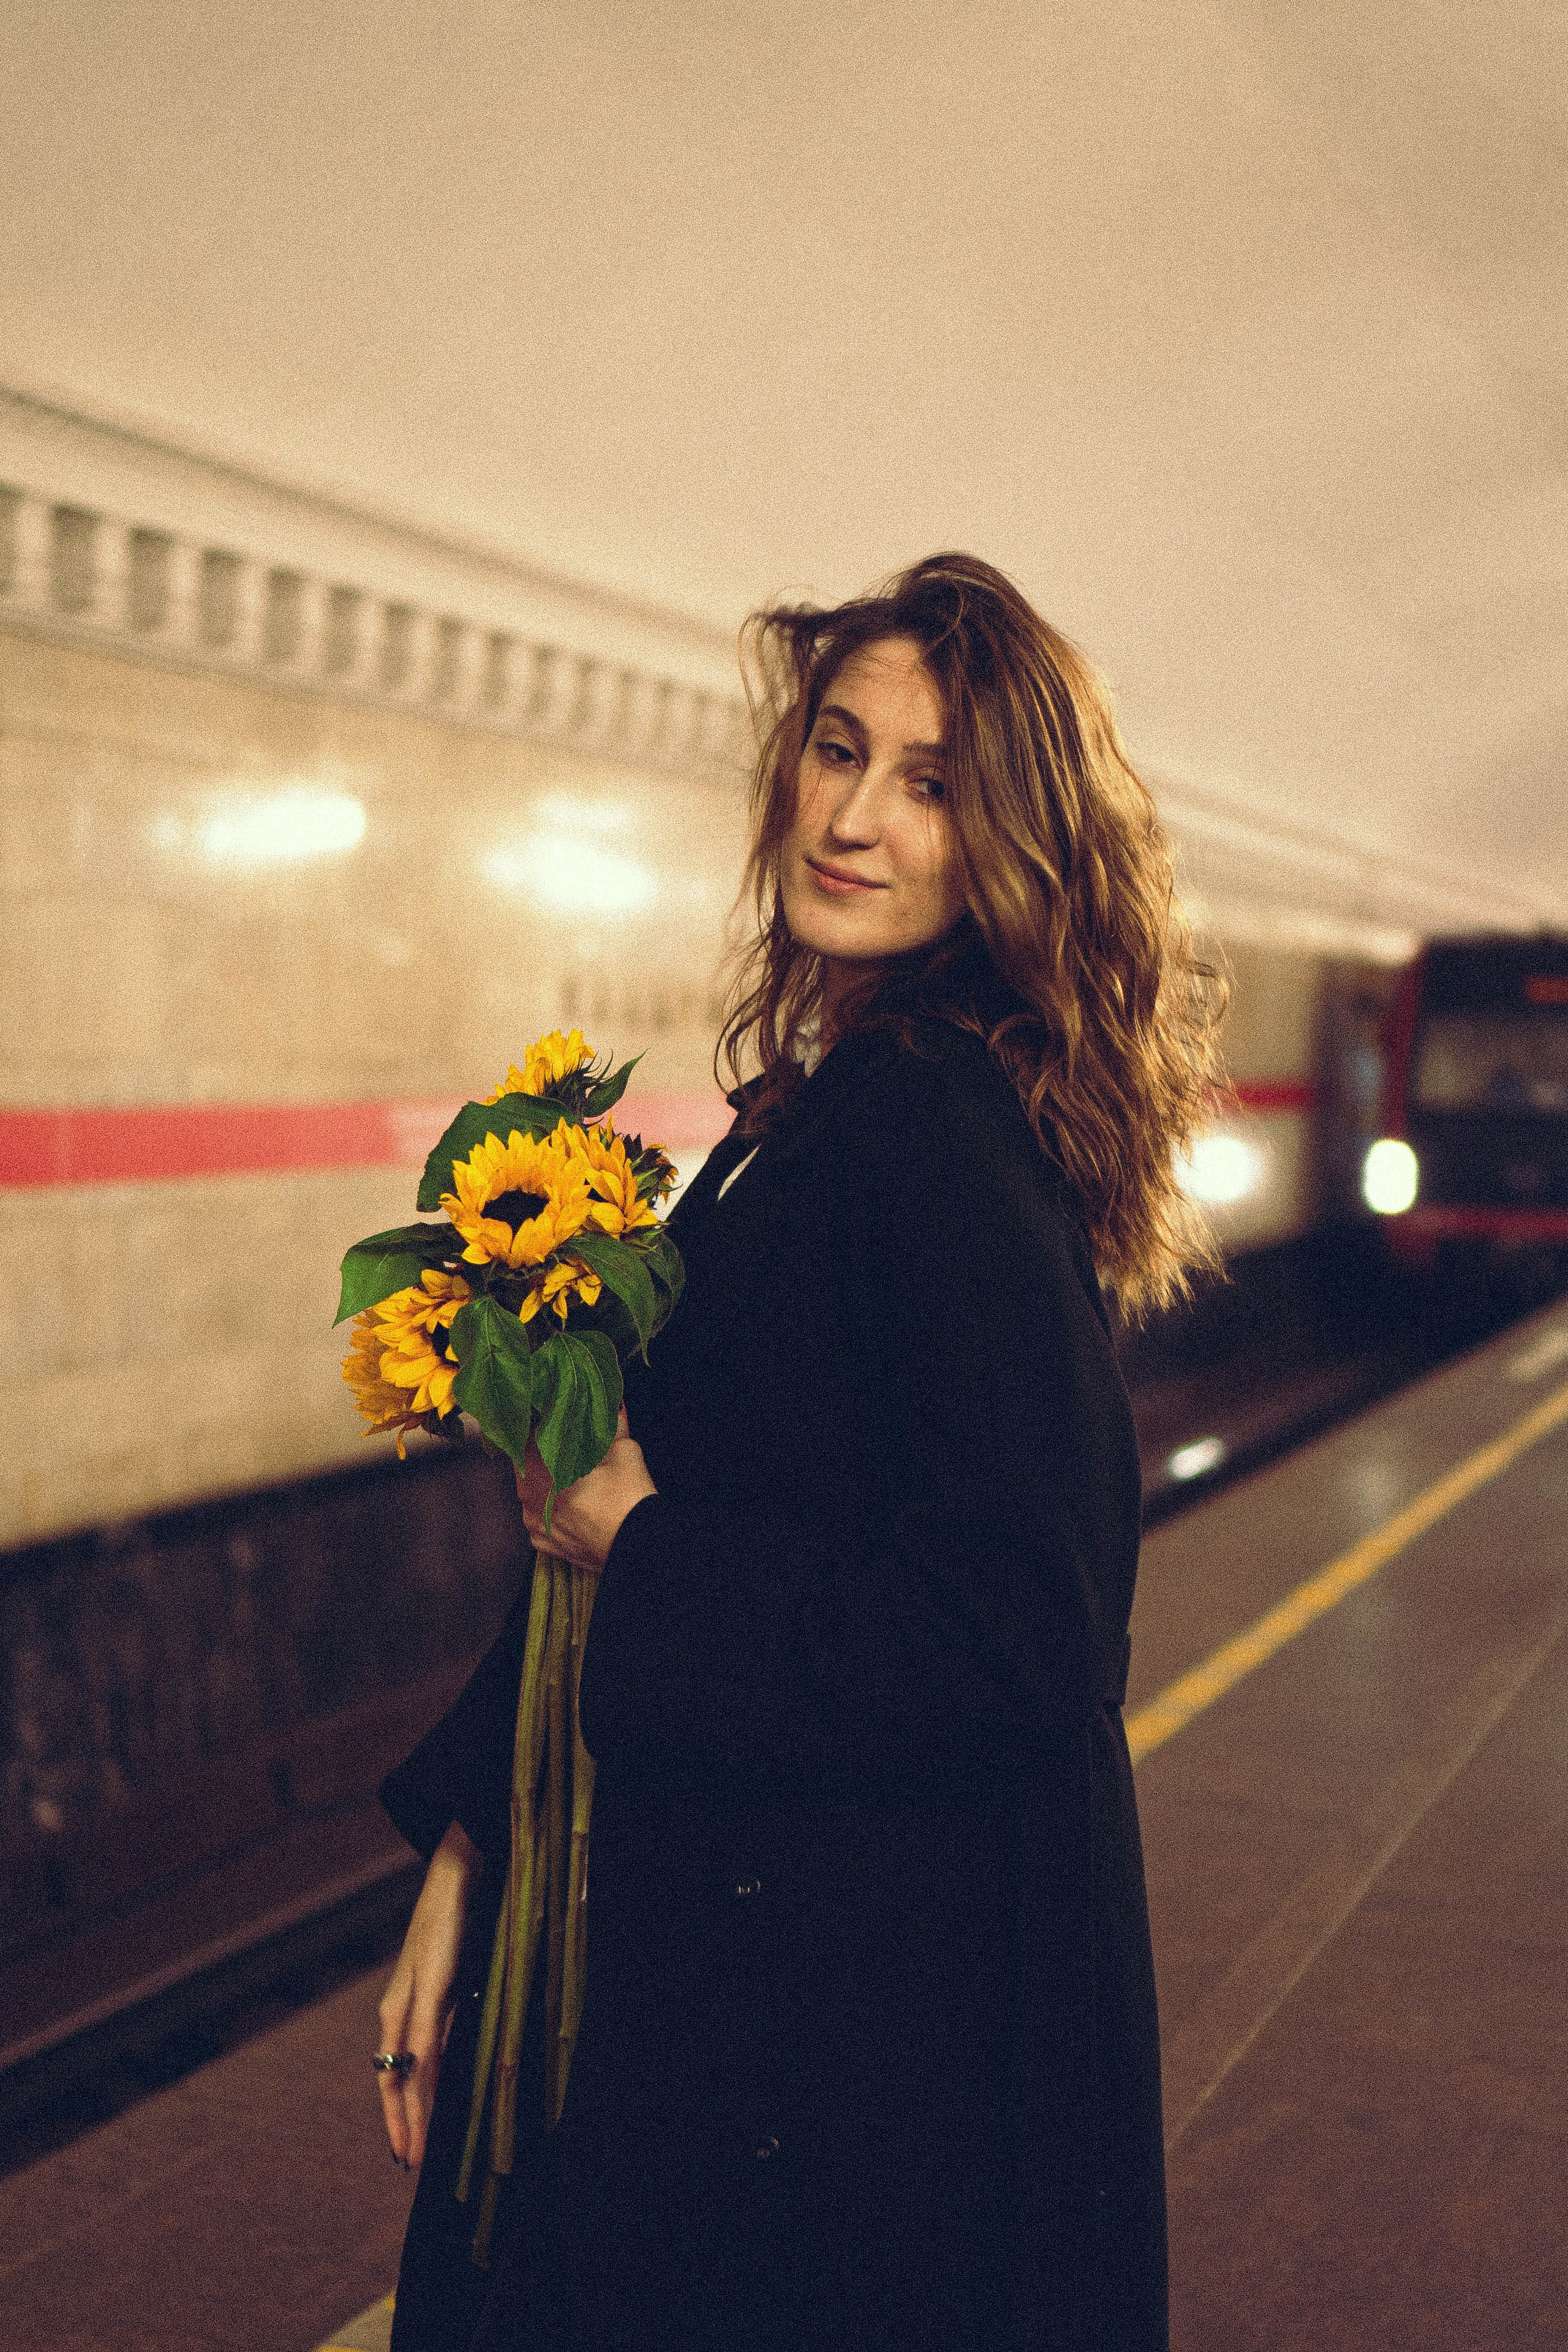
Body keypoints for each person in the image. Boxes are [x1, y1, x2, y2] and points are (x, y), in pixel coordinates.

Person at [372, 553, 1225, 2351]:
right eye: (837, 752)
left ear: (1009, 839)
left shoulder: (928, 1127)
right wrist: (479, 1841)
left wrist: (644, 1545)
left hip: (858, 2047)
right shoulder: (837, 1102)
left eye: (929, 783)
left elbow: (1032, 1622)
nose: (854, 816)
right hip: (807, 1992)